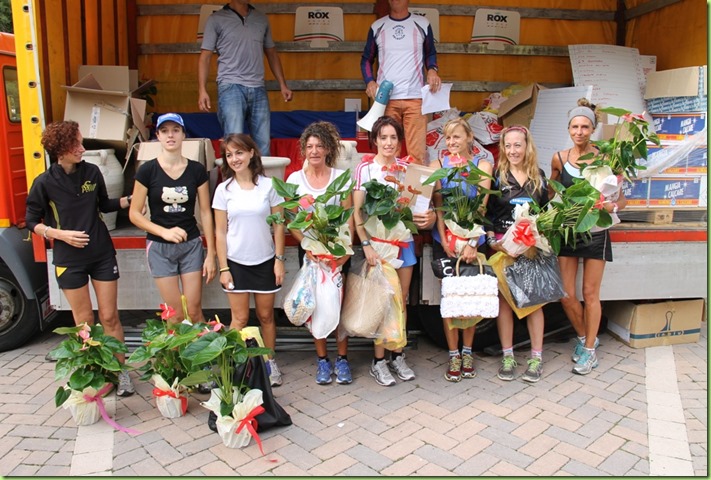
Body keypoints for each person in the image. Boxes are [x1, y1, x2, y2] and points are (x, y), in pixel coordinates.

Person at [25, 120, 135, 396]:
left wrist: (131, 200)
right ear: (60, 149)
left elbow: (105, 205)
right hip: (68, 259)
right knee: (84, 322)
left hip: (101, 253)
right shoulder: (44, 182)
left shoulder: (92, 171)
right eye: (76, 144)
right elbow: (30, 221)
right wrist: (60, 235)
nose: (82, 148)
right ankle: (94, 375)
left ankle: (120, 372)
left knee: (110, 317)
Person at [353, 116, 435, 386]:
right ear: (374, 140)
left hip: (404, 245)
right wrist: (366, 246)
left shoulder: (407, 169)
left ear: (400, 141)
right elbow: (357, 213)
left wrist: (428, 216)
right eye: (383, 137)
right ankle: (378, 362)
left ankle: (397, 354)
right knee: (382, 302)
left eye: (393, 138)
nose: (388, 143)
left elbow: (420, 207)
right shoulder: (364, 170)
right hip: (378, 246)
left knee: (400, 300)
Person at [550, 99, 627, 375]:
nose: (579, 131)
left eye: (585, 126)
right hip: (568, 230)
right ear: (568, 129)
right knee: (567, 294)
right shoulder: (559, 158)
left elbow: (622, 199)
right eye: (574, 126)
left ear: (592, 129)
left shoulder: (607, 159)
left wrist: (612, 206)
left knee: (590, 294)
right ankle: (584, 339)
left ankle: (591, 351)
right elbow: (552, 191)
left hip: (596, 230)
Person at [212, 133, 286, 387]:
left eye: (239, 153)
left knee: (266, 316)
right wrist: (223, 268)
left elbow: (279, 225)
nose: (235, 159)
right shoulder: (223, 190)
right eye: (229, 155)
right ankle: (234, 364)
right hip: (235, 263)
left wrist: (278, 259)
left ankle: (269, 362)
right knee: (240, 318)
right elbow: (220, 232)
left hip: (265, 261)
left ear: (252, 153)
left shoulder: (270, 186)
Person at [129, 113, 216, 325]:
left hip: (191, 245)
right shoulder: (147, 170)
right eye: (165, 131)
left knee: (194, 311)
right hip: (160, 247)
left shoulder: (196, 169)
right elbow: (134, 213)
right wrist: (163, 231)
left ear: (183, 135)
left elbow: (205, 212)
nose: (170, 136)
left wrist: (211, 253)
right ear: (157, 135)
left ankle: (201, 355)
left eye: (175, 130)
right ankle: (174, 358)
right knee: (175, 312)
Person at [286, 121, 354, 385]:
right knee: (317, 308)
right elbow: (293, 222)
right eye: (309, 146)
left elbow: (348, 220)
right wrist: (308, 248)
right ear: (304, 150)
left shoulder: (341, 178)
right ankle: (323, 361)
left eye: (319, 146)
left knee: (339, 307)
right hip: (312, 256)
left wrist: (344, 255)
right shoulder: (294, 180)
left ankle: (344, 360)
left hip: (338, 255)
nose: (314, 151)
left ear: (328, 149)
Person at [485, 125, 549, 383]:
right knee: (506, 305)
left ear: (527, 146)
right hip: (504, 249)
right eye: (508, 146)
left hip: (531, 249)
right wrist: (492, 242)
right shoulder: (497, 177)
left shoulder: (539, 177)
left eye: (517, 145)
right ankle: (508, 356)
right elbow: (487, 214)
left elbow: (545, 215)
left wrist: (538, 237)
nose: (513, 150)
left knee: (534, 303)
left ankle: (536, 357)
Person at [431, 117, 493, 382]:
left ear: (469, 138)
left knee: (470, 298)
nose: (452, 142)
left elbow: (481, 206)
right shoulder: (438, 166)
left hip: (472, 241)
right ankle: (453, 354)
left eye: (457, 137)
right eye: (448, 138)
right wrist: (445, 238)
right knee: (451, 301)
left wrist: (470, 242)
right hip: (445, 241)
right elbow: (438, 205)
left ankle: (468, 351)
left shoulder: (482, 165)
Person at [198, 0, 293, 156]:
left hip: (258, 86)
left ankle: (262, 180)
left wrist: (283, 84)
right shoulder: (216, 19)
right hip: (230, 86)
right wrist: (202, 90)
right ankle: (233, 180)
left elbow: (271, 53)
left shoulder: (261, 18)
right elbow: (205, 57)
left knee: (263, 143)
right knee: (234, 141)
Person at [360, 0, 441, 164]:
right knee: (388, 151)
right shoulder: (378, 26)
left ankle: (414, 190)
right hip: (386, 99)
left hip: (416, 98)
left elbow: (430, 53)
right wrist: (369, 81)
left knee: (417, 153)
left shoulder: (422, 24)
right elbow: (366, 60)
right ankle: (388, 188)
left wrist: (432, 69)